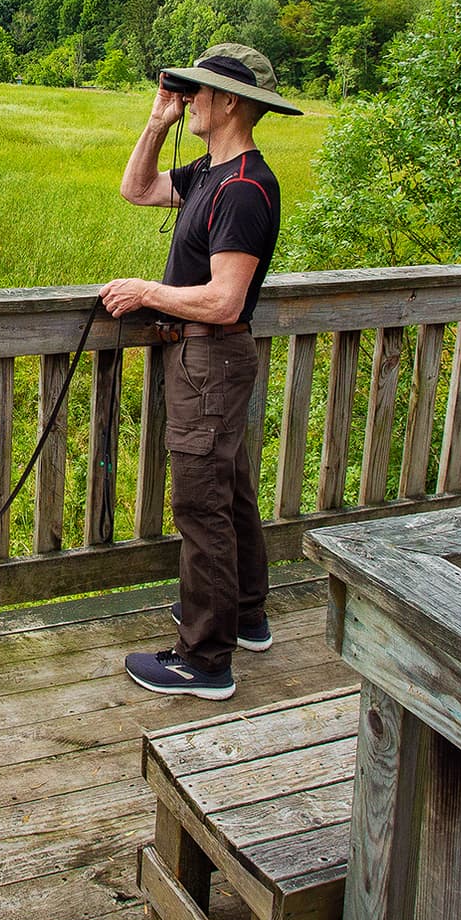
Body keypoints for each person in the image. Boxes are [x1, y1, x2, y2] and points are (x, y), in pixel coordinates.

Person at [101, 43, 302, 700]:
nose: (188, 98)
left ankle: (205, 659)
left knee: (202, 506)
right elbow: (137, 189)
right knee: (232, 491)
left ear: (230, 102)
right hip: (208, 361)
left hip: (209, 360)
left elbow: (224, 300)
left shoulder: (244, 187)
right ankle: (244, 617)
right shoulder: (212, 173)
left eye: (196, 91)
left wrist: (147, 291)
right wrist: (158, 119)